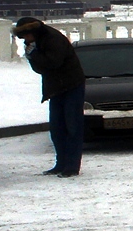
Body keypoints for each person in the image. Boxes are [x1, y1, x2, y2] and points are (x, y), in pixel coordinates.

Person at [12, 17, 86, 177]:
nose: (25, 39)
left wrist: (34, 54)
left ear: (32, 31)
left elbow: (53, 63)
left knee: (72, 127)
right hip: (55, 88)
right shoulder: (34, 43)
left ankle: (71, 167)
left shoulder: (53, 39)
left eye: (26, 35)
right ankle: (61, 164)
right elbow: (40, 68)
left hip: (72, 85)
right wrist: (33, 55)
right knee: (57, 129)